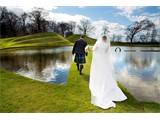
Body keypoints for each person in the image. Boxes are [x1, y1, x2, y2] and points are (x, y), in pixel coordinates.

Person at [89, 35, 127, 109]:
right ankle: (107, 85)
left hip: (99, 61)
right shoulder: (107, 44)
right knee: (106, 74)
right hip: (105, 61)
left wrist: (88, 48)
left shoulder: (98, 43)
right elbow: (107, 53)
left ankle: (100, 84)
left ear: (101, 38)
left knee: (99, 73)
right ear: (106, 39)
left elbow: (94, 50)